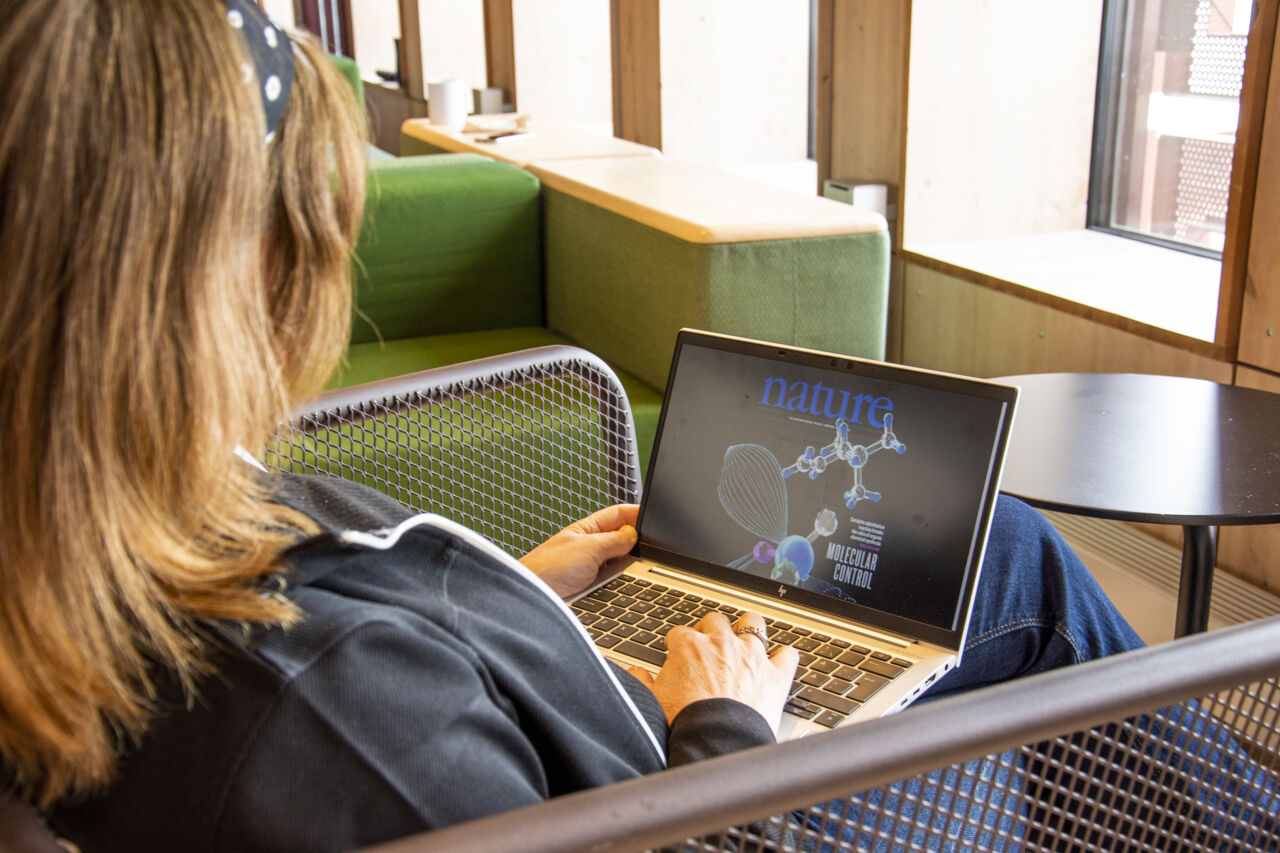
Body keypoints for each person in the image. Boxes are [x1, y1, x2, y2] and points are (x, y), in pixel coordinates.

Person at [0, 2, 1150, 851]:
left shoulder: (94, 528)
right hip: (700, 797)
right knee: (1020, 570)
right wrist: (724, 731)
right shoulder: (326, 709)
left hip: (601, 741)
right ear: (227, 274)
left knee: (987, 549)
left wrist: (512, 599)